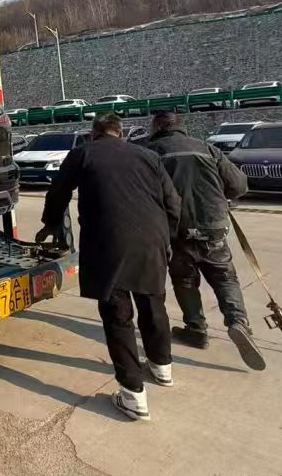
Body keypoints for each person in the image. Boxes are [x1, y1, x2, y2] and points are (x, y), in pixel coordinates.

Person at [39, 113, 181, 421]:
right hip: (152, 239)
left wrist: (50, 223)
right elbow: (173, 202)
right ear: (120, 132)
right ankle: (162, 367)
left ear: (94, 133)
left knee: (118, 316)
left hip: (109, 243)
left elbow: (59, 192)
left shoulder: (83, 153)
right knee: (153, 302)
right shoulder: (147, 155)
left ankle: (133, 395)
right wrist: (166, 238)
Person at [145, 111, 265, 371]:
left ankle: (196, 329)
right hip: (213, 225)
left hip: (176, 229)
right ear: (181, 127)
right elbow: (239, 185)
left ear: (157, 127)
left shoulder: (150, 152)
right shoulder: (208, 149)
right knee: (225, 277)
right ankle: (238, 322)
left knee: (184, 279)